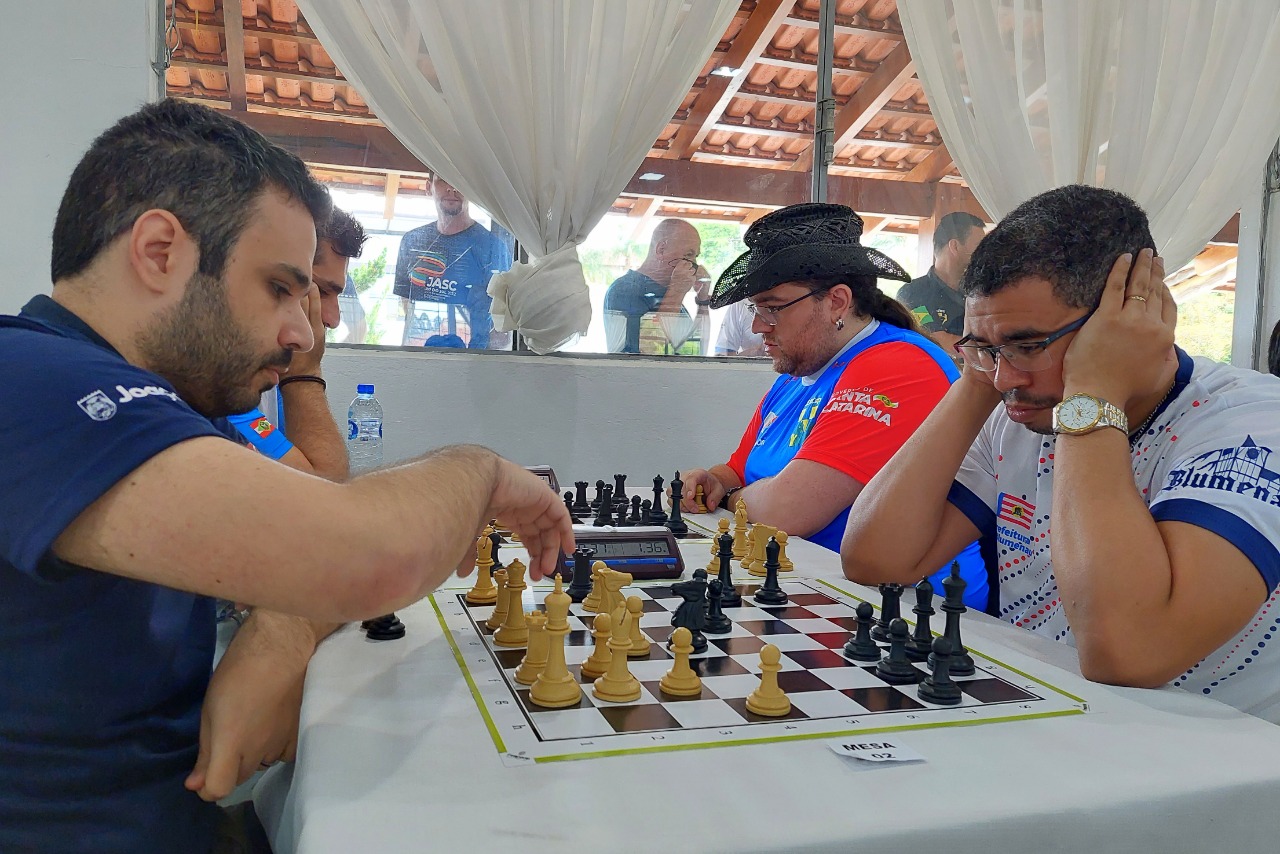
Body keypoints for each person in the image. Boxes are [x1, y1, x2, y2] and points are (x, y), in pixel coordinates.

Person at [0, 99, 572, 853]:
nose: (305, 332)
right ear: (159, 250)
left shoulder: (169, 405)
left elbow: (307, 538)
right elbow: (362, 553)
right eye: (279, 288)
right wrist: (486, 472)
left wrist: (281, 631)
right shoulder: (31, 379)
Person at [842, 184, 1280, 721]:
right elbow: (873, 558)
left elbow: (1128, 651)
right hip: (1053, 729)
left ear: (1127, 317)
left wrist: (1093, 392)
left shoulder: (1255, 426)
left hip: (1217, 777)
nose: (1005, 377)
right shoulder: (1022, 406)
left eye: (1027, 345)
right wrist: (981, 372)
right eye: (984, 347)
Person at [677, 203, 987, 610]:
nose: (757, 326)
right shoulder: (797, 372)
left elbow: (787, 513)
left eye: (772, 307)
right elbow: (738, 469)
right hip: (814, 589)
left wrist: (732, 496)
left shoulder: (897, 365)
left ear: (838, 302)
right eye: (756, 308)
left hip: (909, 613)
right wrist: (714, 480)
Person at [226, 205, 368, 481]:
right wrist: (306, 373)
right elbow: (325, 485)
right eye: (319, 291)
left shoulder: (272, 376)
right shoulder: (223, 393)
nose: (334, 319)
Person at [394, 175, 515, 349]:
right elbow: (407, 307)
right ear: (429, 187)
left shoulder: (493, 248)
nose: (451, 188)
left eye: (459, 179)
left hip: (475, 364)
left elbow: (504, 327)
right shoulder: (412, 242)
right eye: (442, 179)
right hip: (420, 360)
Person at [603, 219, 711, 354]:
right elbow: (647, 355)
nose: (694, 265)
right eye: (688, 255)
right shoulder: (625, 290)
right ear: (661, 250)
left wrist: (703, 302)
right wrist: (676, 292)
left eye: (696, 256)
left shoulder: (669, 296)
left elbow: (698, 354)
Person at [895, 211, 985, 353]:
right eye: (979, 246)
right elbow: (936, 341)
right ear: (954, 246)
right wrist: (989, 349)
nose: (984, 253)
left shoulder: (983, 292)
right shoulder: (913, 292)